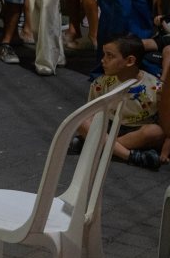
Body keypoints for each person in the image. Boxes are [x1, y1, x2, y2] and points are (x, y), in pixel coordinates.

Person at [67, 34, 163, 170]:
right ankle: (129, 155)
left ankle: (96, 146)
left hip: (136, 130)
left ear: (129, 61)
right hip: (108, 125)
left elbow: (162, 118)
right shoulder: (100, 83)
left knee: (155, 132)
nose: (103, 60)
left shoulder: (156, 87)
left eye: (109, 56)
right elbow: (91, 112)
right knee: (81, 121)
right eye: (104, 54)